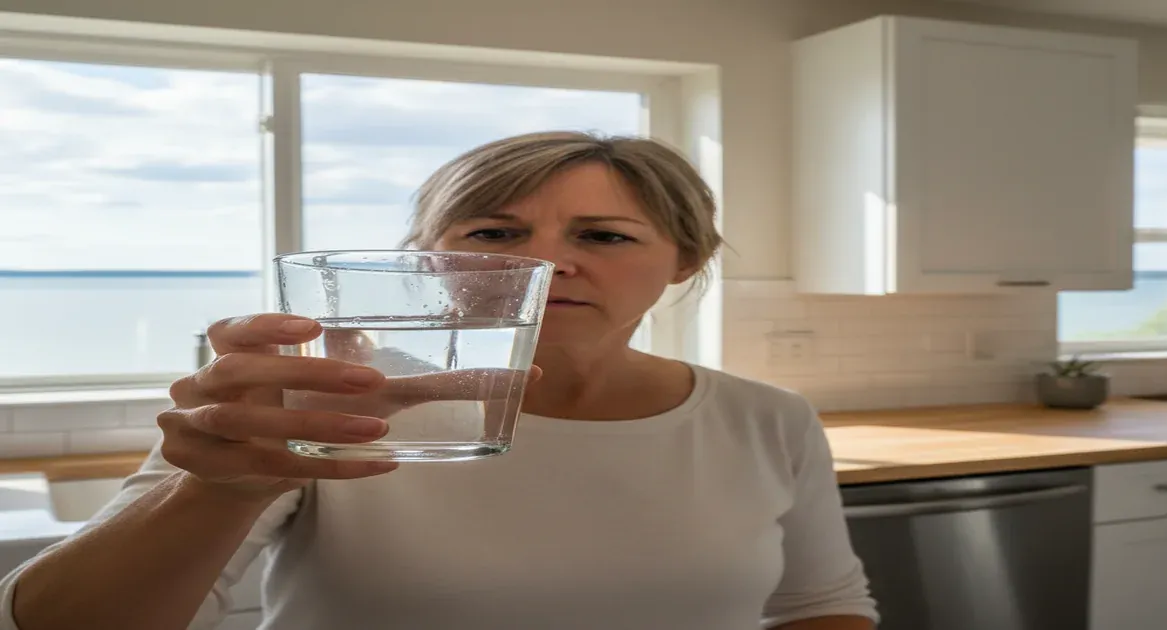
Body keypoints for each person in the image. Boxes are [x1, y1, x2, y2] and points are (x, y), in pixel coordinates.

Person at [1, 131, 878, 630]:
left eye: (603, 236)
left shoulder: (769, 419)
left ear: (684, 262)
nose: (544, 266)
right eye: (494, 236)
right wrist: (213, 490)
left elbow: (821, 607)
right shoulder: (324, 407)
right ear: (430, 263)